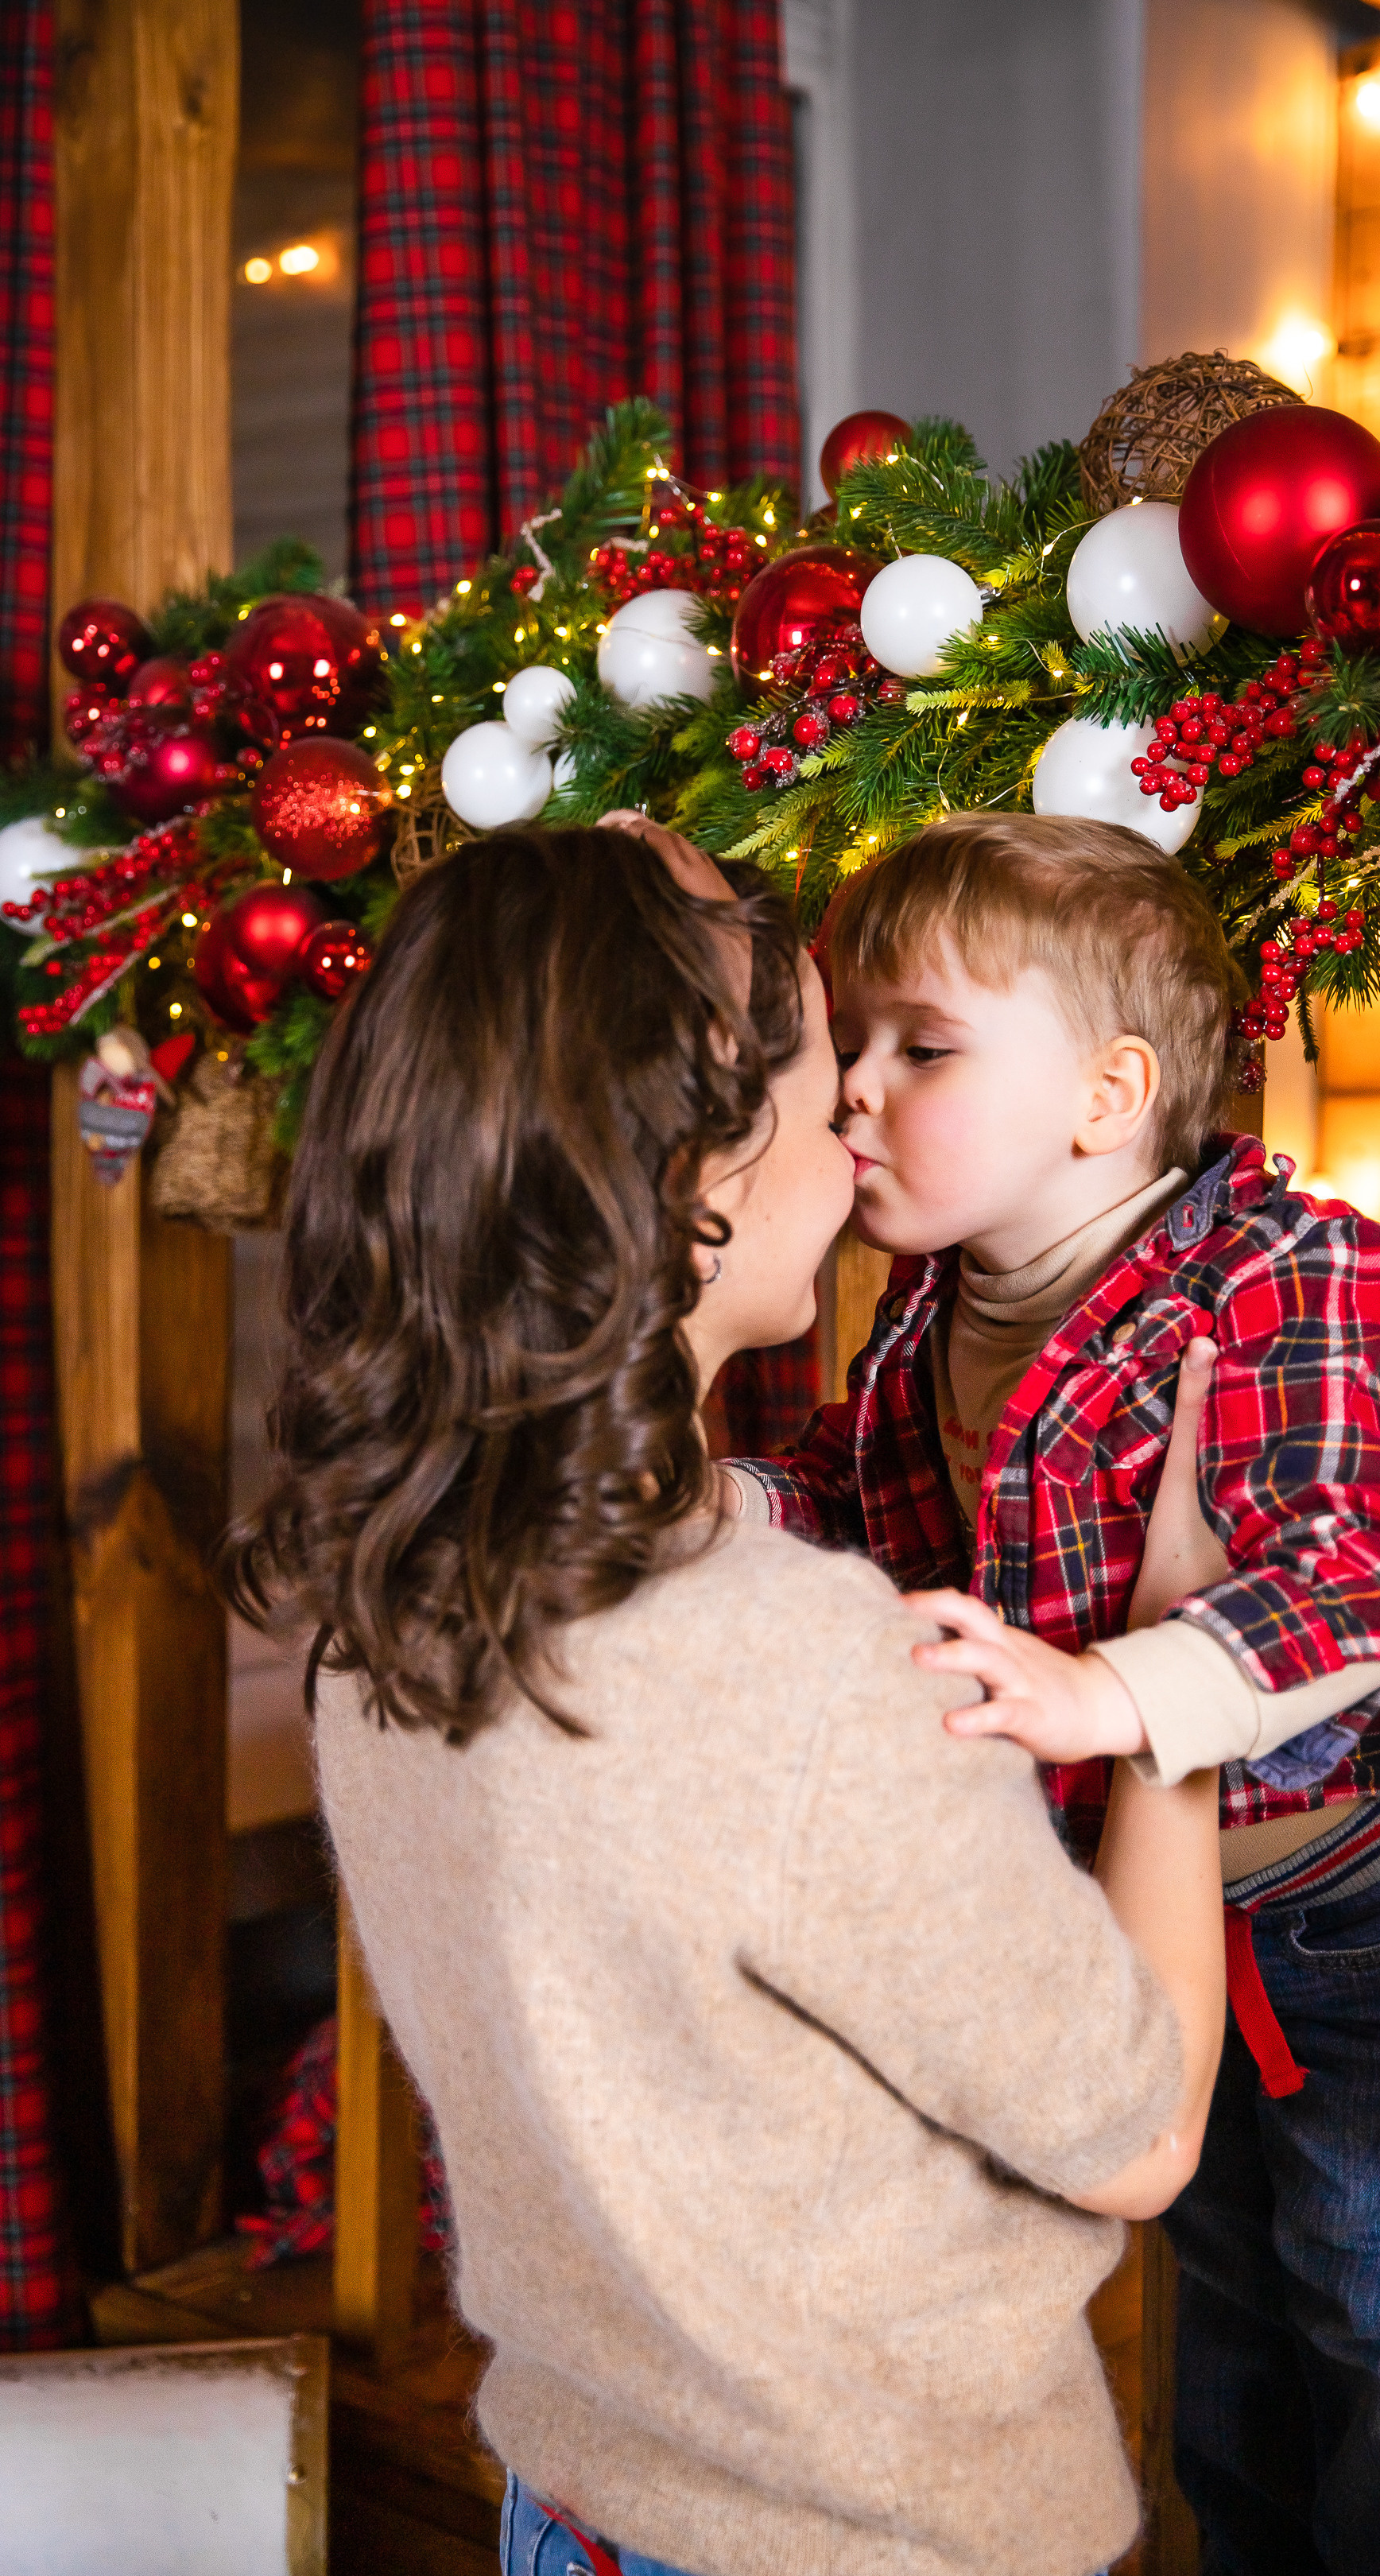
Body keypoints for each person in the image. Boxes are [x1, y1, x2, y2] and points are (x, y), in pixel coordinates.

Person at [226, 817, 1227, 2576]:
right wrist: (1170, 1680)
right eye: (829, 1060)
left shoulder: (384, 1604)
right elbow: (1136, 2135)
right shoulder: (788, 1667)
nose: (859, 1118)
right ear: (694, 1169)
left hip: (581, 2505)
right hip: (870, 2534)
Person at [720, 810, 1380, 2576]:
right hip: (1140, 1912)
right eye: (849, 1045)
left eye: (917, 1048)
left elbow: (1367, 1573)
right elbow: (868, 1518)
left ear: (1105, 1099)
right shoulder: (928, 1306)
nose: (852, 1091)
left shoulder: (1274, 1276)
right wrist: (720, 1513)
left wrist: (1121, 1691)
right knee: (1227, 2318)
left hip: (1356, 1900)